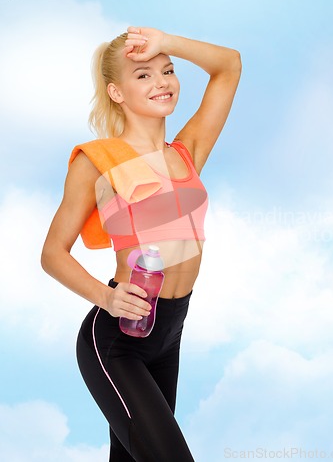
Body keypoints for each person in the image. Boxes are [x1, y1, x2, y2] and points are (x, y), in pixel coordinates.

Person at [41, 26, 241, 461]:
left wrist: (166, 42)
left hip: (170, 330)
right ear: (116, 92)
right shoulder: (97, 161)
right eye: (143, 76)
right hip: (118, 337)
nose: (161, 82)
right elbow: (52, 253)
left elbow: (229, 65)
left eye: (166, 71)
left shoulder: (186, 152)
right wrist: (106, 298)